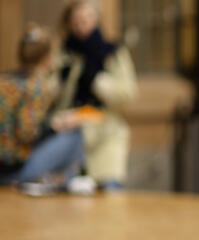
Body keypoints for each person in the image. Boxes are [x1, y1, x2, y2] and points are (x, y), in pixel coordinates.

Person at [54, 0, 137, 189]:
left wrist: (97, 80)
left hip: (105, 133)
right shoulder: (65, 53)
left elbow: (127, 95)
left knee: (109, 193)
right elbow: (56, 97)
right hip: (71, 133)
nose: (81, 25)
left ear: (97, 20)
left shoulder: (112, 52)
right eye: (76, 21)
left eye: (86, 19)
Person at [0, 24, 85, 190]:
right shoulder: (36, 85)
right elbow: (26, 133)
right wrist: (55, 126)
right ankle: (65, 185)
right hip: (15, 169)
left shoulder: (5, 80)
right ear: (47, 57)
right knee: (75, 133)